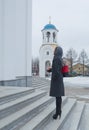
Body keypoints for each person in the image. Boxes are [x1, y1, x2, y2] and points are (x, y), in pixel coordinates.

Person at [47, 46, 65, 119]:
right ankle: (58, 111)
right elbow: (57, 68)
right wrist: (50, 70)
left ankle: (57, 113)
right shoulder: (60, 58)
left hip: (56, 80)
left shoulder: (56, 58)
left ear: (57, 51)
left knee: (58, 97)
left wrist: (53, 78)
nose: (54, 51)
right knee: (58, 97)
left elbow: (57, 71)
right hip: (59, 79)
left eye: (55, 50)